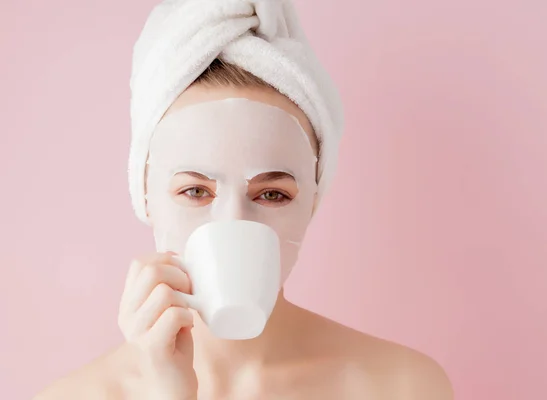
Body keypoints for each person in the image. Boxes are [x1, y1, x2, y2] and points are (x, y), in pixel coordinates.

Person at [35, 1, 453, 399]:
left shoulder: (403, 387)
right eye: (195, 191)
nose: (232, 222)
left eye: (272, 194)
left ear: (312, 202)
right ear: (144, 197)